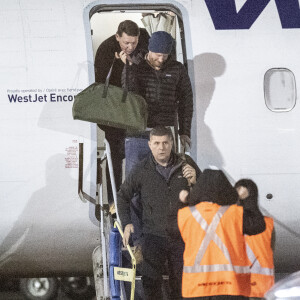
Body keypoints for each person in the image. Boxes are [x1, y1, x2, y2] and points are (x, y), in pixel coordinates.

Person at [117, 126, 201, 300]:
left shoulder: (187, 164)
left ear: (171, 143)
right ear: (149, 145)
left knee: (182, 284)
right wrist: (127, 223)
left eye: (165, 143)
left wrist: (196, 181)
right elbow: (122, 196)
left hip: (182, 236)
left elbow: (206, 196)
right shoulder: (141, 170)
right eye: (156, 143)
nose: (161, 147)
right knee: (151, 282)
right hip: (153, 236)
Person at [178, 169, 266, 300]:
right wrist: (247, 198)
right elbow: (258, 225)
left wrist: (183, 200)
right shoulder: (235, 214)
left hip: (196, 290)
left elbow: (168, 229)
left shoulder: (185, 215)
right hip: (230, 288)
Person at [121, 30, 194, 173]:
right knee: (134, 180)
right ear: (150, 50)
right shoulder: (135, 65)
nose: (161, 59)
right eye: (158, 55)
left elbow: (186, 100)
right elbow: (128, 94)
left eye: (165, 56)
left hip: (164, 133)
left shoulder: (177, 69)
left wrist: (185, 131)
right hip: (138, 132)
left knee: (164, 178)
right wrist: (128, 68)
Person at [94, 20, 149, 205]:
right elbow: (101, 87)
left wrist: (132, 62)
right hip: (115, 114)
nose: (130, 46)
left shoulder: (145, 41)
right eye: (126, 43)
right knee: (115, 161)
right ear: (117, 37)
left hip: (137, 111)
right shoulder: (105, 50)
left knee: (140, 161)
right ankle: (114, 203)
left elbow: (150, 71)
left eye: (134, 42)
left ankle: (139, 203)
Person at [235, 179, 275, 299]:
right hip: (264, 288)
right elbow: (271, 251)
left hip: (239, 286)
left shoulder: (232, 221)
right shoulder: (269, 223)